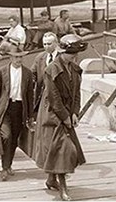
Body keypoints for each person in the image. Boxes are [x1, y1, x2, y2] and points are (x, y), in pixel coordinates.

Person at [34, 34, 88, 201]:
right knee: (63, 150)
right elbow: (54, 97)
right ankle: (63, 187)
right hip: (52, 115)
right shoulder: (51, 70)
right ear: (62, 52)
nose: (74, 57)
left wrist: (74, 113)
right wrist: (65, 117)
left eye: (75, 54)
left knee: (56, 151)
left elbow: (77, 94)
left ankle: (51, 179)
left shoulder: (75, 69)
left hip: (66, 113)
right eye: (71, 54)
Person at [0, 46, 33, 181]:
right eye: (16, 57)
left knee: (14, 139)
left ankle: (8, 165)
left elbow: (30, 95)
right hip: (5, 109)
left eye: (20, 57)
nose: (19, 59)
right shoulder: (2, 71)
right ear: (11, 57)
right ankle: (4, 167)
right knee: (6, 136)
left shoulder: (28, 73)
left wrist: (30, 116)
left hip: (20, 109)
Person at [31, 32, 59, 115]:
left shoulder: (61, 57)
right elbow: (33, 74)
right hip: (42, 95)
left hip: (57, 96)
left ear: (56, 43)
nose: (46, 46)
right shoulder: (39, 58)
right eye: (44, 44)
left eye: (49, 44)